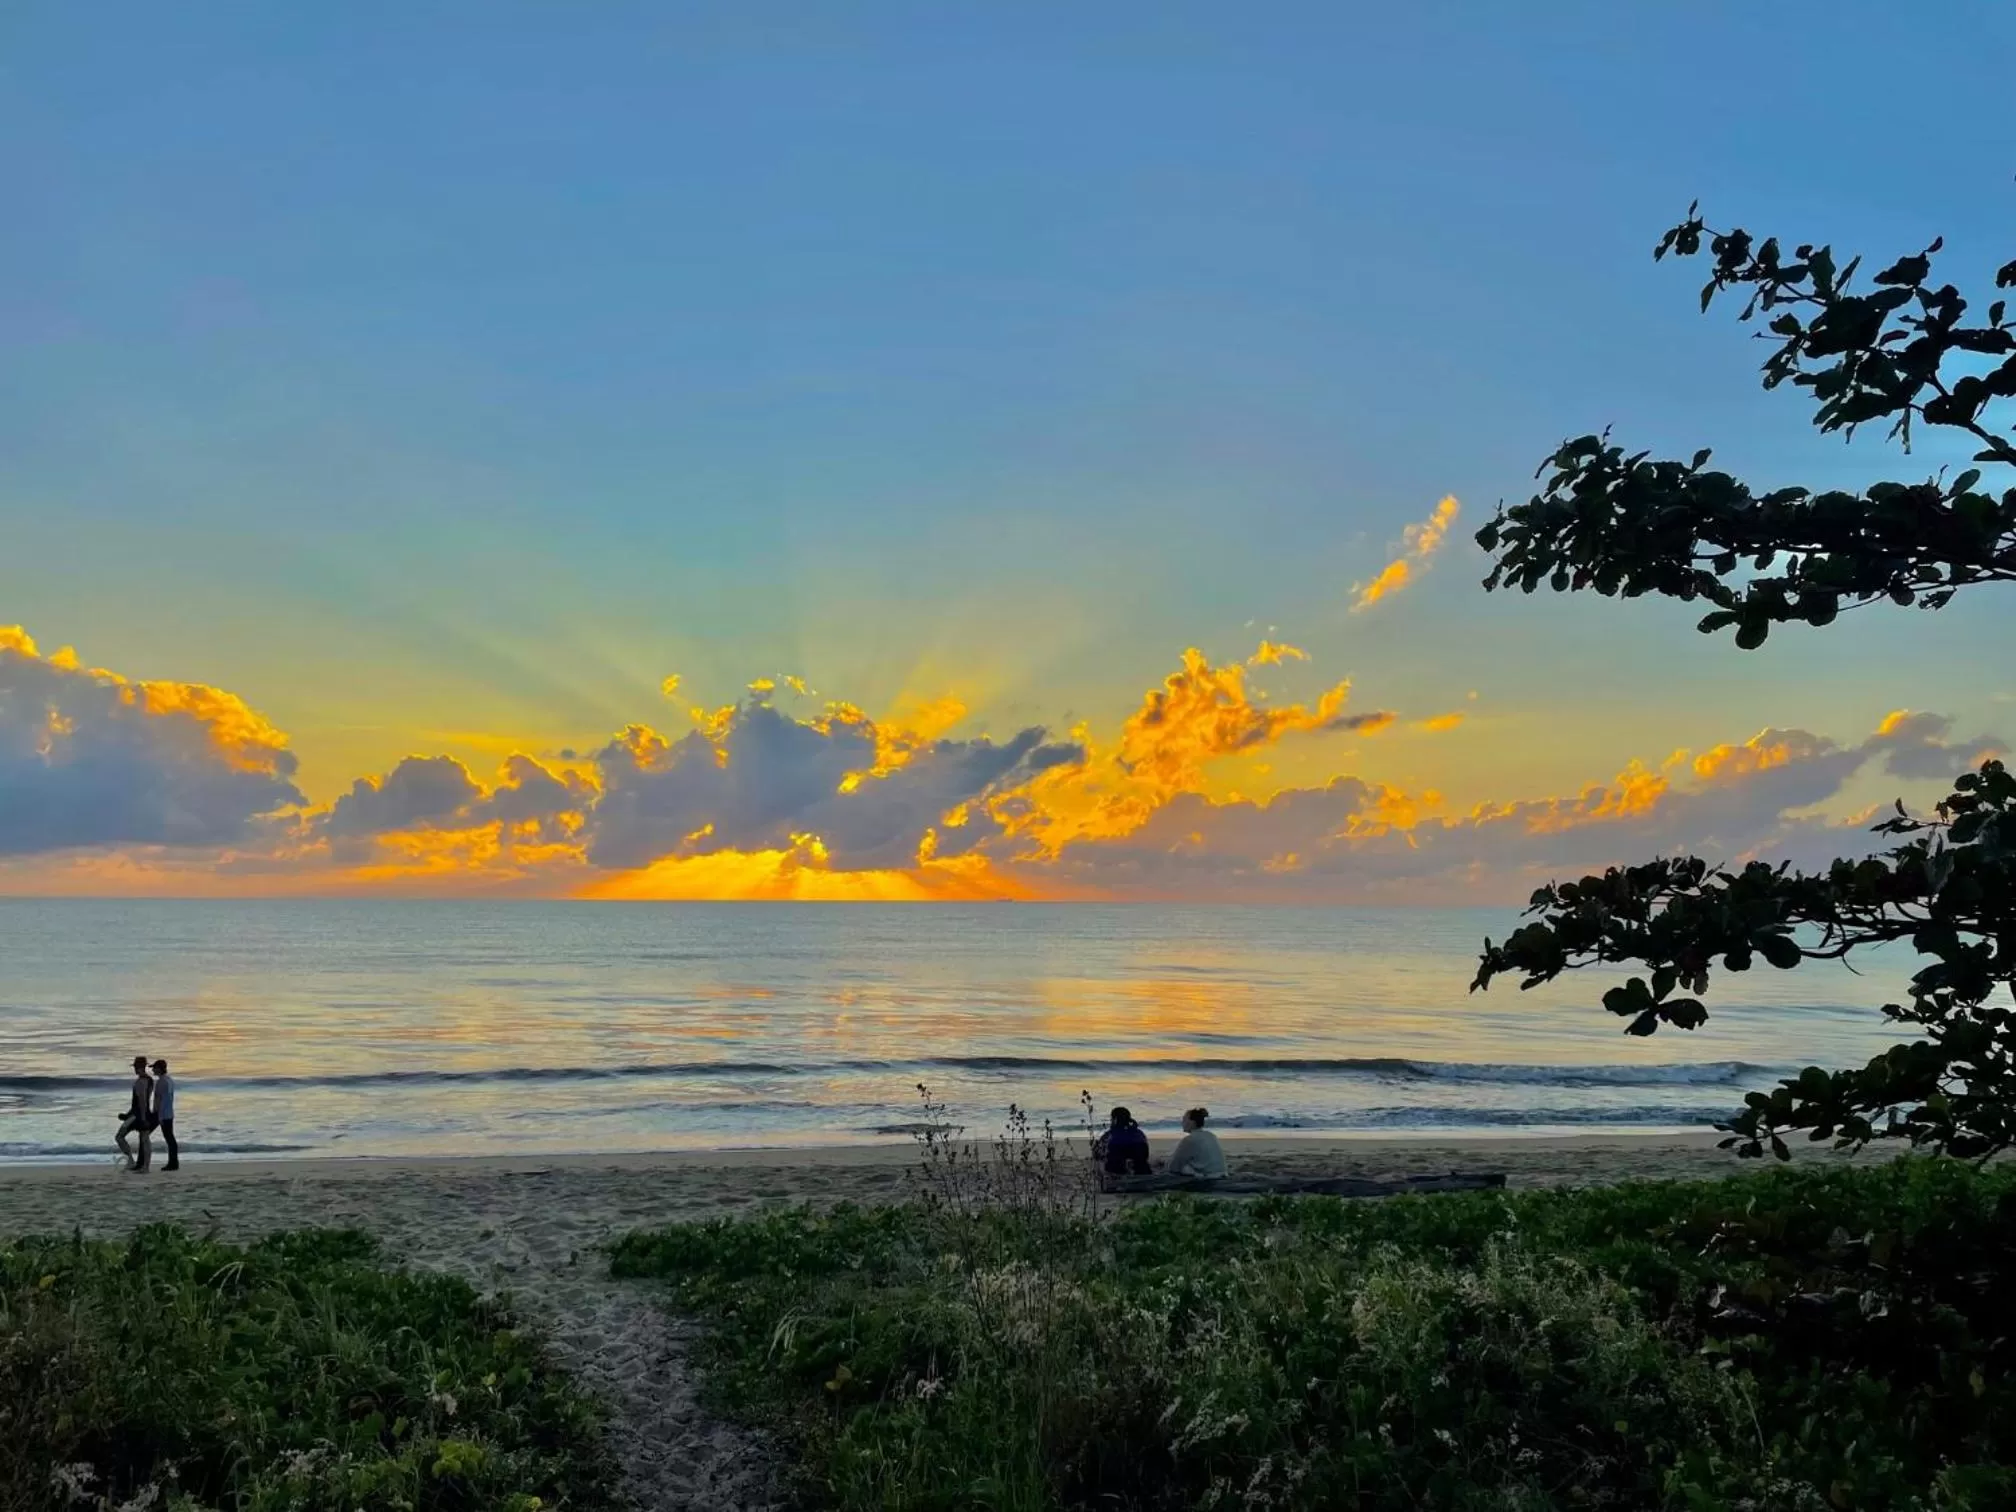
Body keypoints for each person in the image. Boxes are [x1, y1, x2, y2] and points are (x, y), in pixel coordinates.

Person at [1167, 1106, 1228, 1179]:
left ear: (1192, 1122)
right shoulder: (1211, 1135)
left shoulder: (1189, 1139)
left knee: (1184, 1167)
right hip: (1223, 1174)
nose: (1182, 1122)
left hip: (1208, 1178)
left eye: (1184, 1119)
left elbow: (1174, 1167)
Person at [115, 1056, 153, 1172]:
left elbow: (141, 1100)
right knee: (144, 1139)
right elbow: (143, 1100)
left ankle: (132, 1161)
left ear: (140, 1067)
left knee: (120, 1136)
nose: (135, 1069)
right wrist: (128, 1114)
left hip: (138, 1115)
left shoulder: (141, 1082)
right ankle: (144, 1166)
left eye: (136, 1067)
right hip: (141, 1113)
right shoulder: (149, 1080)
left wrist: (141, 1118)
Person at [1094, 1106, 1151, 1176]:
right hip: (1140, 1150)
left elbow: (1098, 1153)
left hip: (1118, 1157)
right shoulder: (1139, 1132)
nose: (1111, 1121)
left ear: (1115, 1120)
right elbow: (1145, 1151)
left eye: (1111, 1119)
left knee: (1111, 1161)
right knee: (1141, 1162)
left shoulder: (1110, 1134)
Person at [150, 1059, 179, 1172]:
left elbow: (159, 1100)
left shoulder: (161, 1082)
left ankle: (172, 1163)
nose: (152, 1070)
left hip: (162, 1114)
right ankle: (173, 1162)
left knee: (168, 1138)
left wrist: (157, 1115)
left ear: (159, 1069)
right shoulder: (169, 1080)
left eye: (154, 1068)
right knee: (170, 1138)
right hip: (169, 1113)